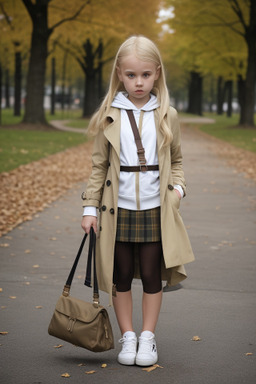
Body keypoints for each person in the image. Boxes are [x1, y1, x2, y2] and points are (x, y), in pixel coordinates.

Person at [81, 35, 194, 367]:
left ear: (157, 73)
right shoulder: (109, 114)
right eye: (131, 75)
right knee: (120, 275)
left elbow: (177, 161)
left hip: (156, 210)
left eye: (145, 75)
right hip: (117, 210)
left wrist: (177, 191)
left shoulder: (166, 114)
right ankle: (127, 335)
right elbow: (99, 166)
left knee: (150, 275)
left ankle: (148, 336)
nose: (139, 82)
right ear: (119, 73)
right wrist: (90, 207)